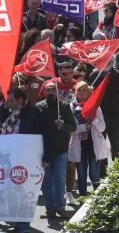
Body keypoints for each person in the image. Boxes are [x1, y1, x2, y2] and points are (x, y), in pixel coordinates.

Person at [35, 80, 77, 220]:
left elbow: (73, 127)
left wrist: (63, 125)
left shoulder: (64, 107)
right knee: (46, 181)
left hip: (60, 150)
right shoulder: (38, 108)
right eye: (48, 90)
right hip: (43, 151)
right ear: (44, 92)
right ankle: (50, 209)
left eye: (53, 90)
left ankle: (60, 208)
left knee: (59, 178)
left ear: (57, 92)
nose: (51, 92)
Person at [69, 81, 110, 197]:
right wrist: (82, 127)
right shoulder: (71, 107)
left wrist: (94, 121)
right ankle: (83, 196)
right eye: (79, 90)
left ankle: (98, 196)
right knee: (81, 173)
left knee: (94, 172)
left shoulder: (95, 107)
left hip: (93, 144)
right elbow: (70, 129)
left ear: (89, 93)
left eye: (84, 90)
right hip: (79, 144)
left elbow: (102, 127)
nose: (81, 92)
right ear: (75, 93)